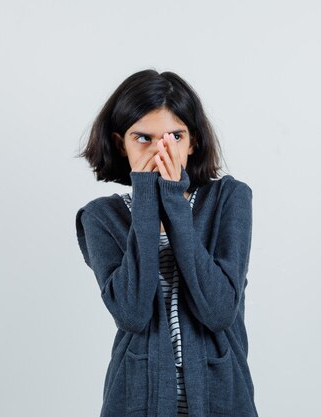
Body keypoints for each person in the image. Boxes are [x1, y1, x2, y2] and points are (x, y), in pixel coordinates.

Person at [74, 69, 258, 417]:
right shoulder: (100, 217)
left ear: (193, 142)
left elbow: (219, 311)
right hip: (135, 404)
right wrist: (146, 197)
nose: (161, 150)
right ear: (120, 144)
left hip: (222, 402)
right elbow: (132, 313)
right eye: (143, 138)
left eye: (175, 136)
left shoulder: (229, 199)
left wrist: (172, 200)